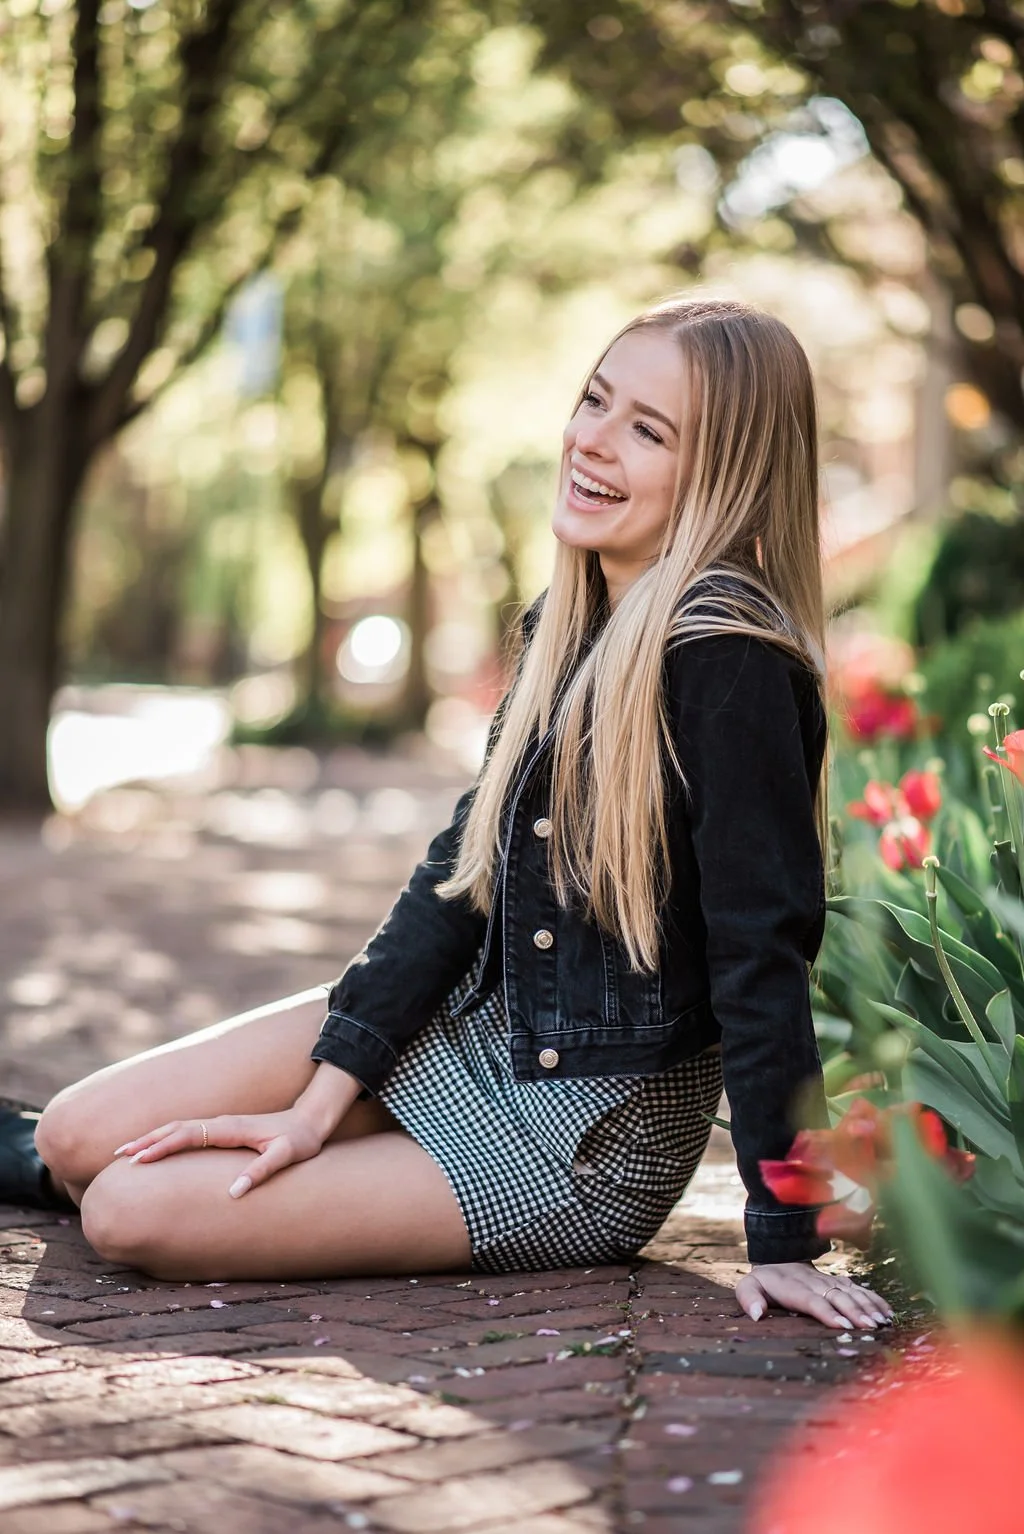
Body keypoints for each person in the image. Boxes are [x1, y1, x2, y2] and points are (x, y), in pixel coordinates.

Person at [1, 294, 893, 1332]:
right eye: (594, 401)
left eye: (646, 430)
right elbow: (456, 877)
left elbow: (761, 952)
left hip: (580, 1129)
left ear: (725, 474)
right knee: (71, 1133)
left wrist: (785, 1235)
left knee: (126, 1210)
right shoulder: (570, 623)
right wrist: (319, 1103)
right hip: (468, 1022)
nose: (589, 442)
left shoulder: (727, 663)